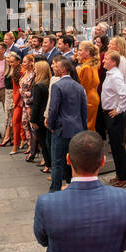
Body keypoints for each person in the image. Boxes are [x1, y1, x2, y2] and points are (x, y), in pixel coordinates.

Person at [45, 57, 87, 193]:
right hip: (77, 129)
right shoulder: (79, 87)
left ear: (63, 69)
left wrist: (51, 125)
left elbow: (53, 109)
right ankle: (75, 187)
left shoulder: (57, 86)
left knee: (57, 162)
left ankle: (55, 190)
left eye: (56, 66)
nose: (53, 68)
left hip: (61, 130)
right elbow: (83, 111)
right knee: (75, 162)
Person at [101, 49, 126, 188]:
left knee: (118, 147)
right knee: (114, 147)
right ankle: (120, 174)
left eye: (106, 59)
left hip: (114, 116)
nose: (103, 60)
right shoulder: (111, 74)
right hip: (110, 114)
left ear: (113, 62)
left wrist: (118, 110)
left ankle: (125, 175)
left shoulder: (115, 76)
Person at [30, 59, 52, 171]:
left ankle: (48, 165)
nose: (33, 70)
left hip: (39, 118)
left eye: (35, 69)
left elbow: (36, 105)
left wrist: (33, 120)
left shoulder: (38, 86)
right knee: (48, 142)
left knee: (44, 142)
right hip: (48, 116)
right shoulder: (50, 82)